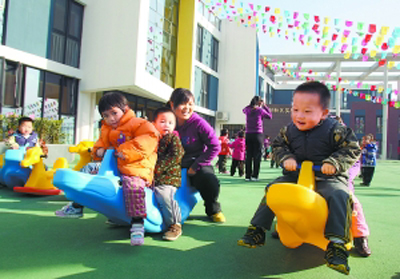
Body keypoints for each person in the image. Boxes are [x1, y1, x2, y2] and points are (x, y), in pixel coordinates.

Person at [237, 81, 361, 275]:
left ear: (324, 113)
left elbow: (352, 148)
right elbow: (278, 146)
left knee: (340, 195)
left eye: (307, 111)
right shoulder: (289, 130)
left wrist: (334, 162)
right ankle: (258, 228)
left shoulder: (336, 129)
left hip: (327, 177)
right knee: (273, 188)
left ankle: (337, 244)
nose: (299, 115)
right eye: (295, 109)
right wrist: (286, 158)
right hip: (295, 175)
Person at [56, 92, 159, 246]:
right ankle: (77, 206)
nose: (111, 118)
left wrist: (124, 151)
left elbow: (148, 140)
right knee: (87, 170)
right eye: (106, 115)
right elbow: (101, 144)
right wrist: (98, 151)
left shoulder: (139, 124)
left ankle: (137, 224)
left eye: (114, 113)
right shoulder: (106, 128)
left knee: (133, 187)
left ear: (125, 109)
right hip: (112, 166)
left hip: (135, 167)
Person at [167, 88, 226, 223]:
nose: (187, 108)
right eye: (183, 104)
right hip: (171, 163)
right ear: (172, 104)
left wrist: (195, 166)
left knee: (210, 181)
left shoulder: (199, 123)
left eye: (190, 104)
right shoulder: (167, 120)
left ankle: (213, 209)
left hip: (194, 163)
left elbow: (215, 146)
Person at [152, 106, 185, 241]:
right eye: (162, 121)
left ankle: (175, 224)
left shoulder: (173, 139)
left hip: (168, 177)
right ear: (154, 123)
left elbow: (176, 155)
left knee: (164, 194)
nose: (167, 125)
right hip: (153, 176)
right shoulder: (152, 139)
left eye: (171, 122)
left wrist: (157, 169)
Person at [243, 96, 272, 181]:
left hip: (248, 134)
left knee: (249, 155)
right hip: (257, 134)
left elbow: (244, 109)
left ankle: (247, 176)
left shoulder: (247, 110)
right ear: (259, 102)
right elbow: (270, 116)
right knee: (257, 156)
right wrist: (264, 105)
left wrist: (251, 104)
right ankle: (255, 176)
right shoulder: (260, 110)